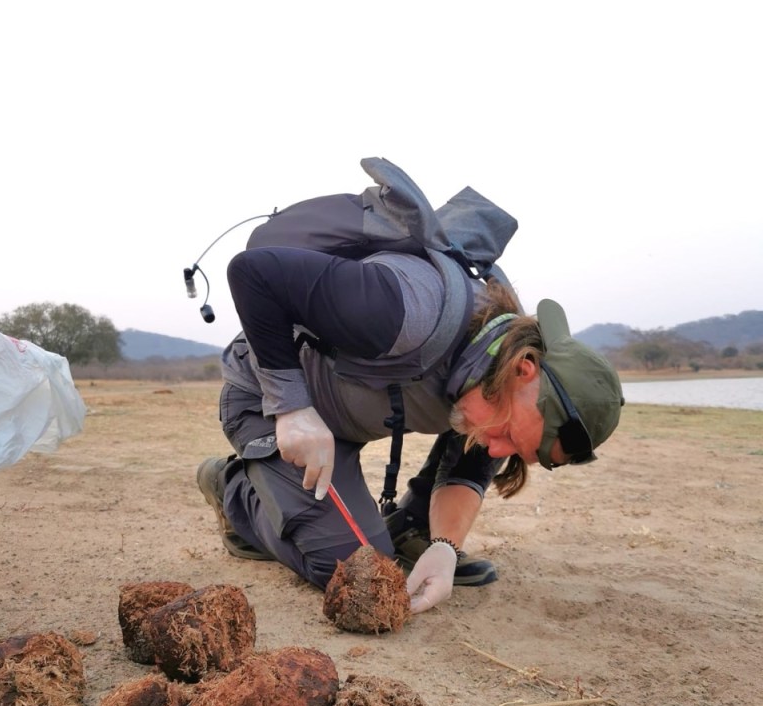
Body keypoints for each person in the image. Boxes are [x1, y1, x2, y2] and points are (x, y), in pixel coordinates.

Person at [197, 242, 624, 615]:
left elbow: (468, 467)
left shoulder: (498, 385)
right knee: (350, 569)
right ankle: (233, 488)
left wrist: (446, 548)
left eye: (516, 452)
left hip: (346, 419)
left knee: (380, 562)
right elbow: (254, 272)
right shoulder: (403, 310)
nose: (497, 452)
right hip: (268, 402)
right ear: (523, 370)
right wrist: (291, 407)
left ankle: (413, 529)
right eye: (510, 437)